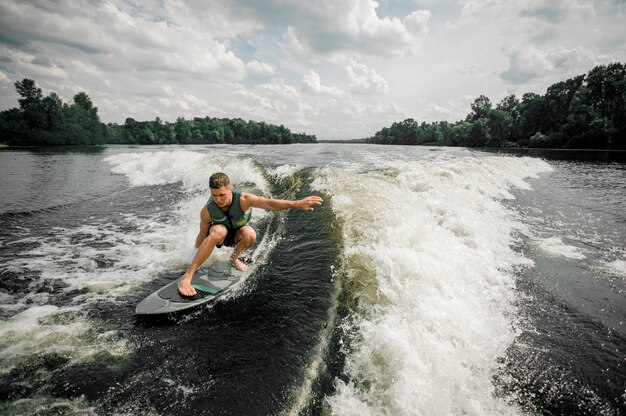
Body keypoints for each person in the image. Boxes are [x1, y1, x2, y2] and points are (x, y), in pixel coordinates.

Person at [178, 172, 323, 297]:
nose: (218, 200)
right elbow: (202, 234)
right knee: (219, 231)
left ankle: (234, 259)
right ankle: (187, 277)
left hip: (236, 235)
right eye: (214, 195)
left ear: (230, 188)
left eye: (222, 195)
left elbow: (269, 203)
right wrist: (195, 255)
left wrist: (296, 204)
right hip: (219, 236)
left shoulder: (244, 199)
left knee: (250, 234)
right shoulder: (208, 210)